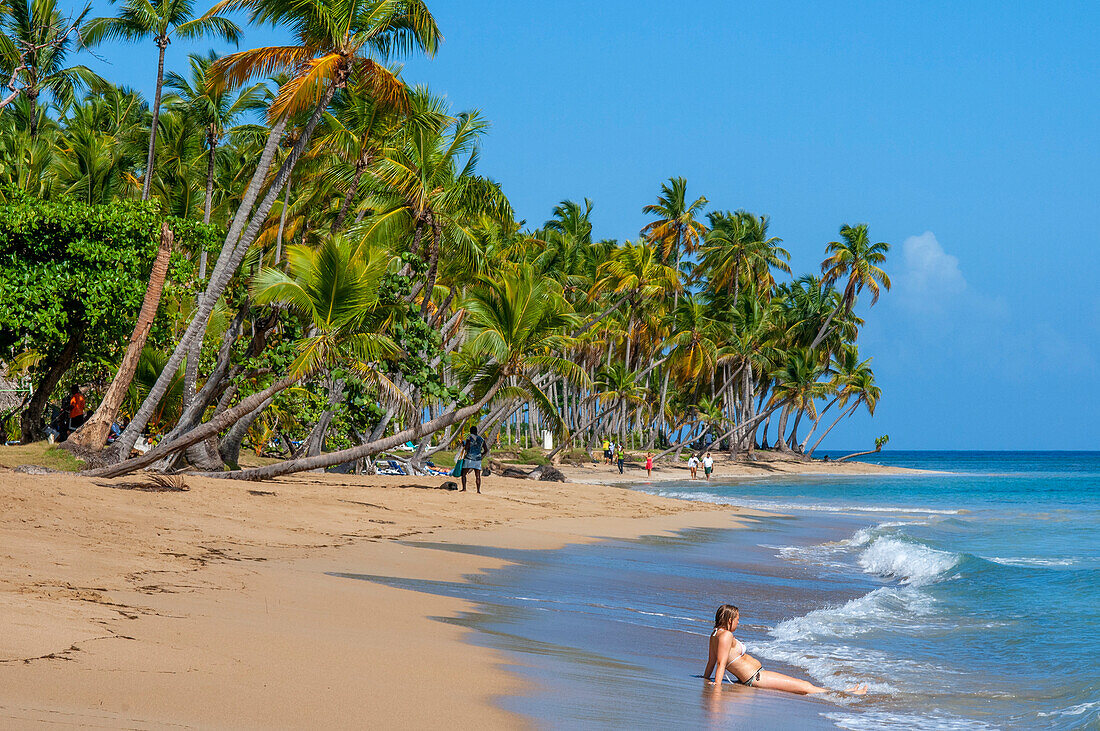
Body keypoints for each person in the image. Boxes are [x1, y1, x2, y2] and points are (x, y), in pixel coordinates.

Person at [704, 604, 867, 695]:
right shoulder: (726, 636)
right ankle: (845, 694)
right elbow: (721, 662)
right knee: (804, 686)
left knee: (804, 686)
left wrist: (705, 679)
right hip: (756, 678)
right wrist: (717, 686)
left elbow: (711, 661)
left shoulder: (715, 634)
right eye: (738, 620)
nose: (739, 623)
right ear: (730, 620)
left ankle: (843, 691)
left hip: (755, 676)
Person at [459, 426, 489, 494]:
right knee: (477, 476)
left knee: (464, 474)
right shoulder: (481, 439)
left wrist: (464, 444)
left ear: (470, 431)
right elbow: (486, 449)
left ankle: (464, 489)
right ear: (476, 431)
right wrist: (481, 454)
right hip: (478, 459)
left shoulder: (469, 437)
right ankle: (478, 491)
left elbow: (467, 447)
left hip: (469, 458)